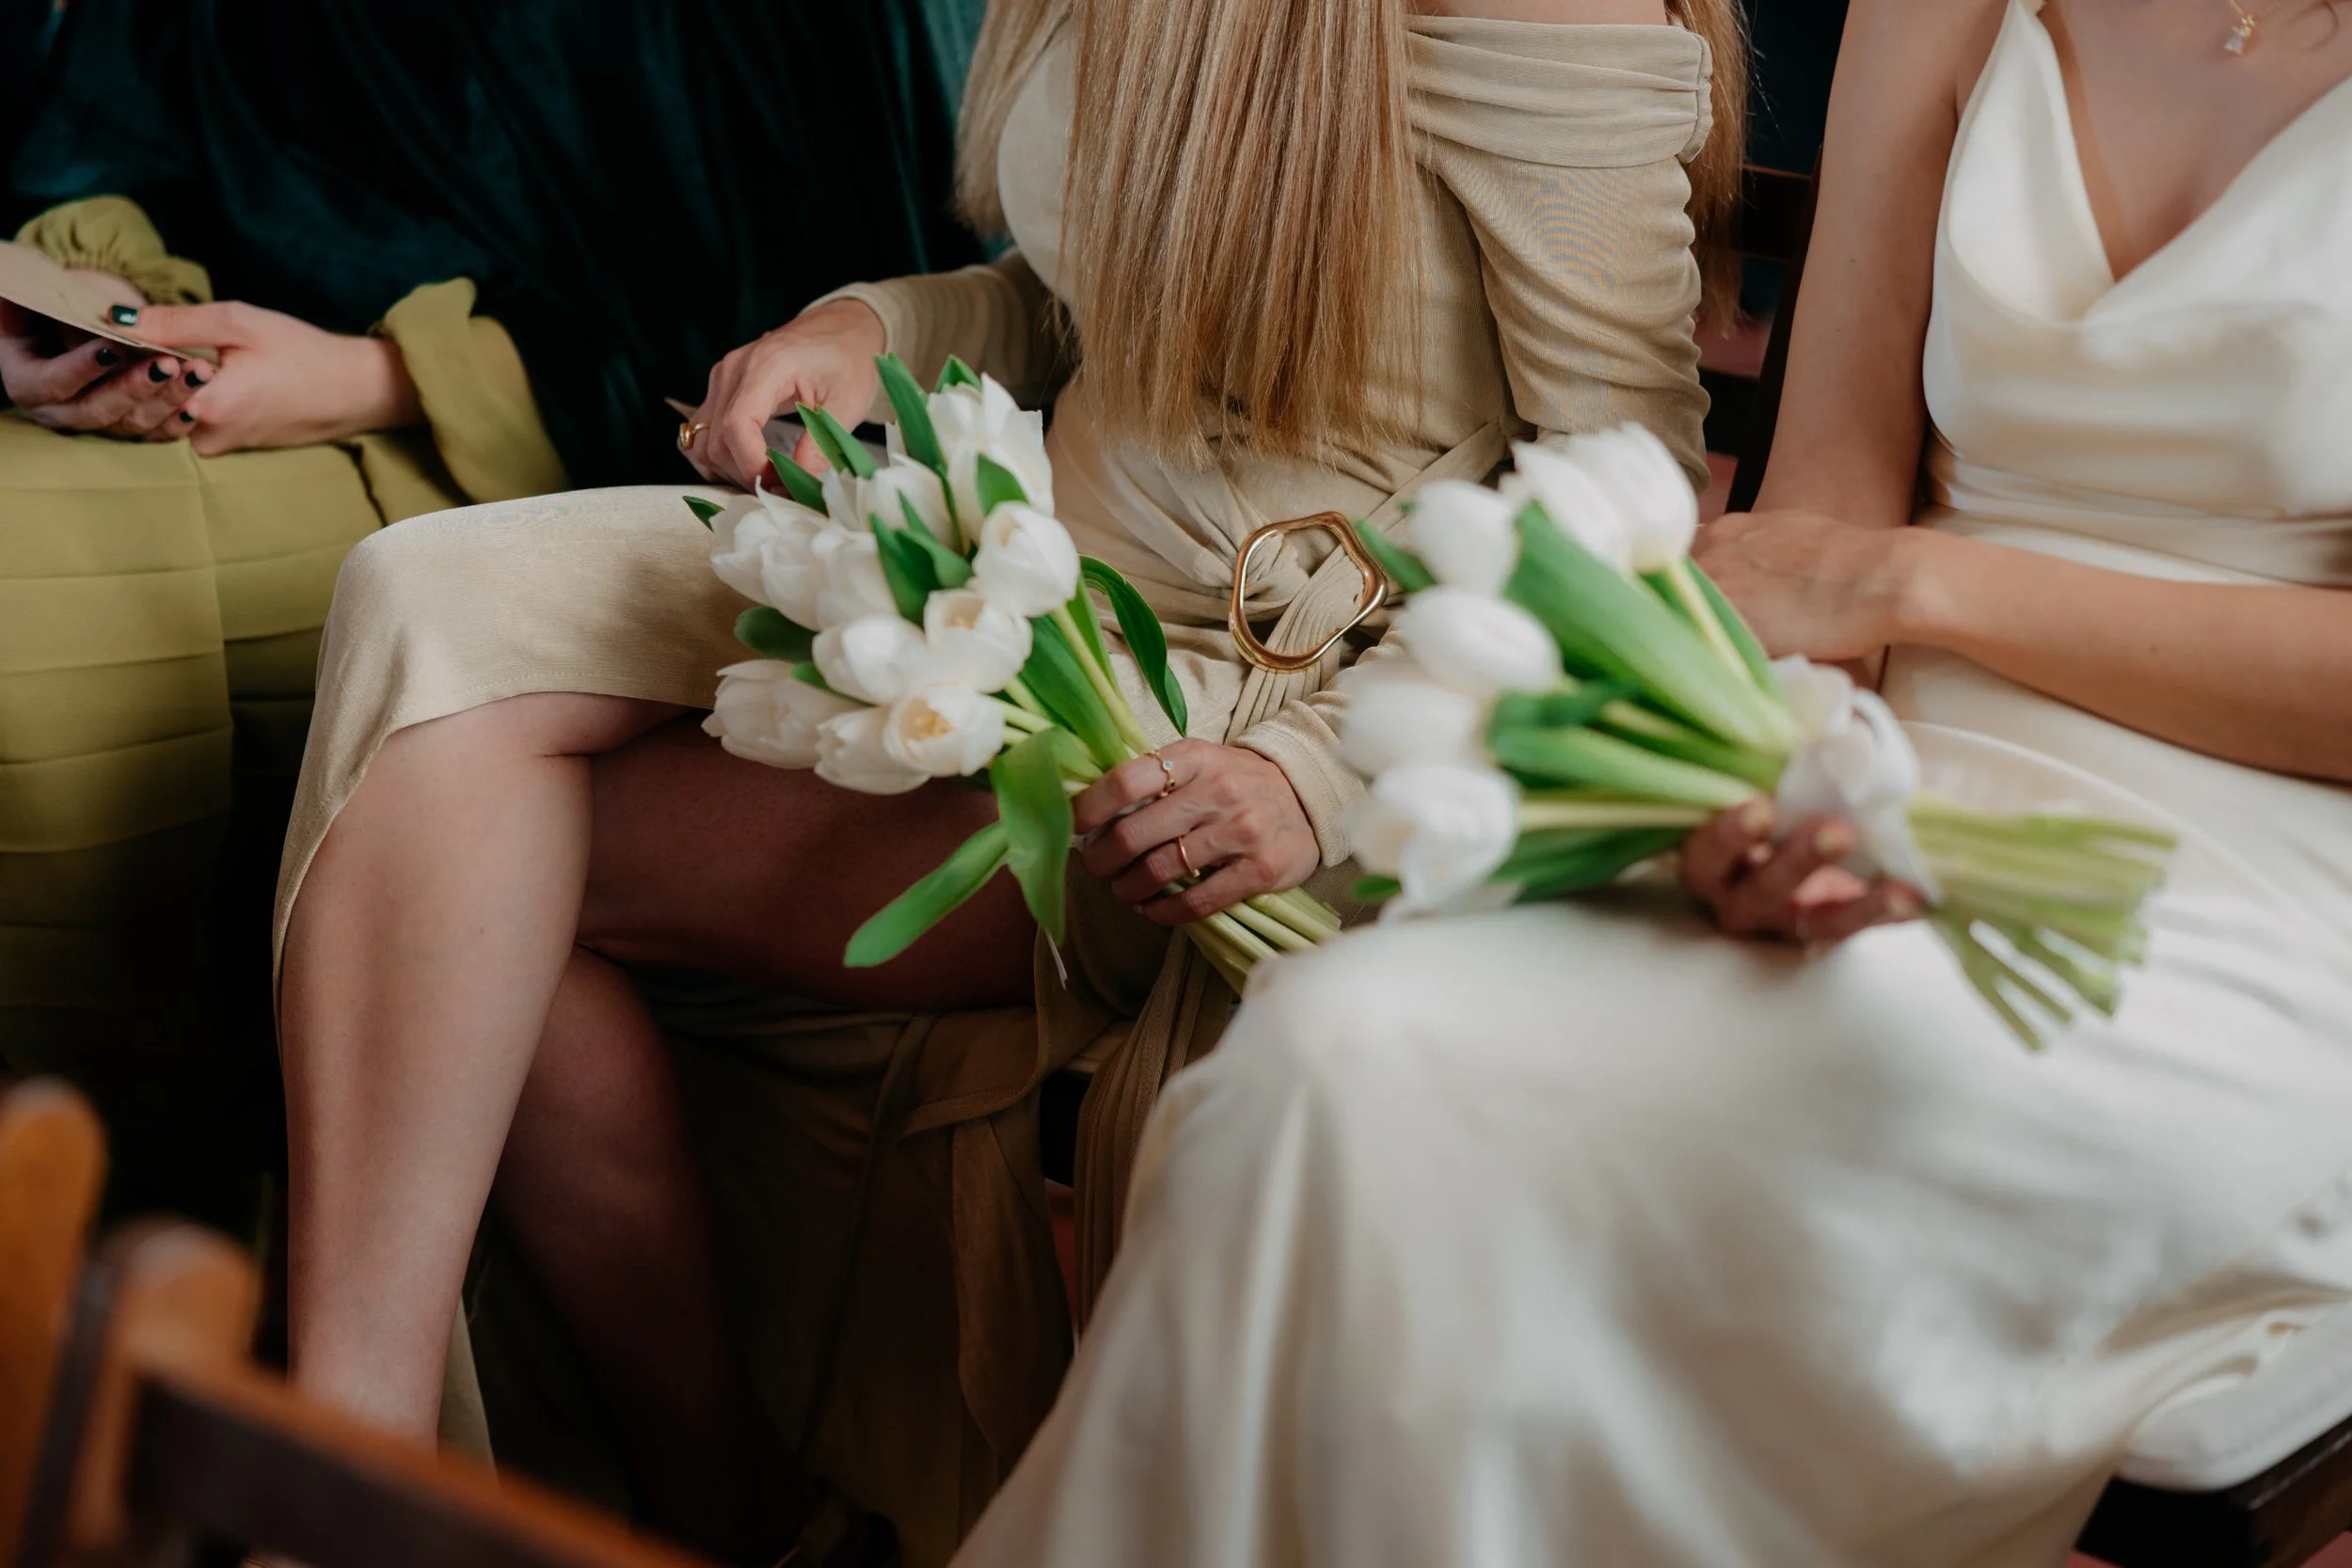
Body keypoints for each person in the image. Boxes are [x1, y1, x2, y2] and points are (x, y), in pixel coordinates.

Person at [265, 0, 1744, 1560]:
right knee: (424, 615)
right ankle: (357, 1471)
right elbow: (1086, 300)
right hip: (1022, 575)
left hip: (1252, 737)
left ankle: (597, 1509)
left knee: (471, 865)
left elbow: (1635, 516)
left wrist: (1310, 774)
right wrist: (867, 333)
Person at [946, 0, 2352, 1562]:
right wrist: (1763, 782)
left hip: (2265, 877)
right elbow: (1821, 511)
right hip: (1877, 766)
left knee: (1834, 1067)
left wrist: (1918, 587)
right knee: (1340, 1044)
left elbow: (1848, 565)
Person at [0, 0, 984, 1222]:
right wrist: (90, 305)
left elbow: (756, 344)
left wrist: (388, 375)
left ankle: (99, 1233)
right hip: (200, 392)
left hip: (517, 453)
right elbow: (109, 131)